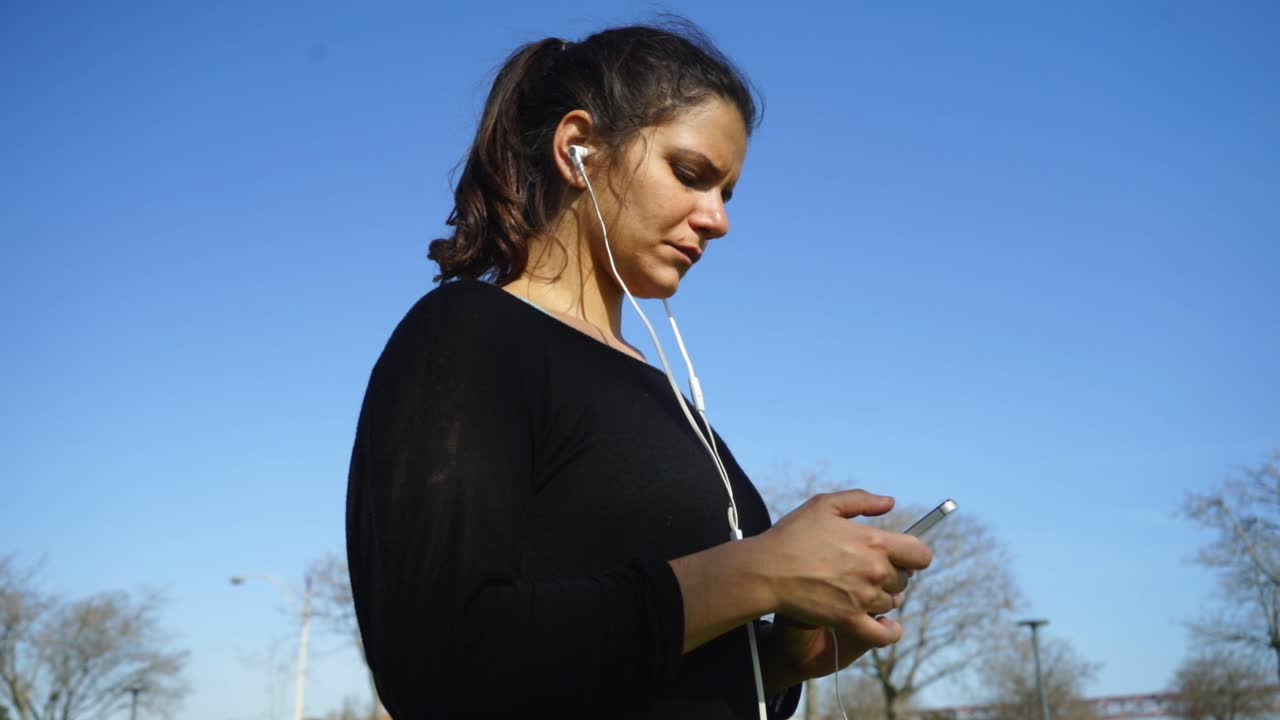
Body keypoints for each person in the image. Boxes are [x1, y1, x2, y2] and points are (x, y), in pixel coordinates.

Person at [345, 20, 933, 720]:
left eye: (728, 194)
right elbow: (436, 658)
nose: (717, 220)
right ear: (577, 150)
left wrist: (782, 658)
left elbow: (640, 677)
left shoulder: (659, 391)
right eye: (691, 175)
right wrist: (758, 572)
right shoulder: (467, 335)